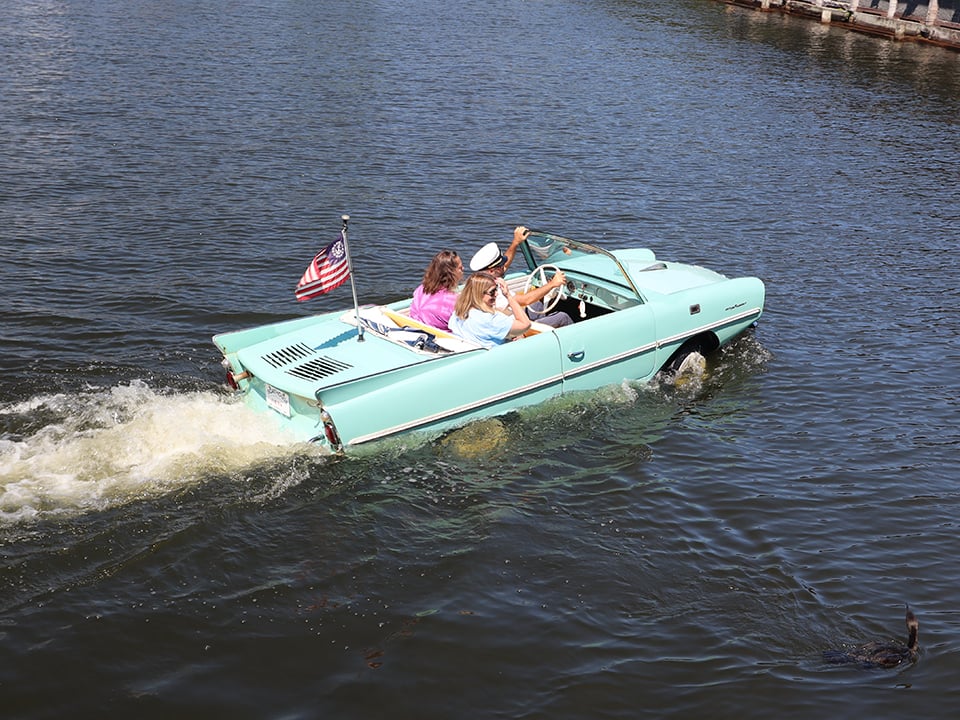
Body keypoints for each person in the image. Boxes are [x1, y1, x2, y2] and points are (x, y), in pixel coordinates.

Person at [469, 226, 573, 328]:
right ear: (492, 270)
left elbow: (504, 265)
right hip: (517, 328)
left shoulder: (480, 280)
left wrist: (515, 242)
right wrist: (552, 284)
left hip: (511, 318)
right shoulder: (494, 291)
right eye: (500, 267)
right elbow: (525, 300)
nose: (504, 267)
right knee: (563, 317)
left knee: (540, 302)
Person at [449, 273, 530, 348]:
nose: (497, 294)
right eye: (492, 291)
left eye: (496, 289)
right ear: (479, 294)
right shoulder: (491, 320)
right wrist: (508, 295)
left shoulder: (457, 314)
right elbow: (525, 324)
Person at [409, 249, 463, 331]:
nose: (463, 268)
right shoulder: (453, 301)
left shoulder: (421, 289)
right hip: (438, 337)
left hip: (413, 327)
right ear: (451, 273)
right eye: (460, 268)